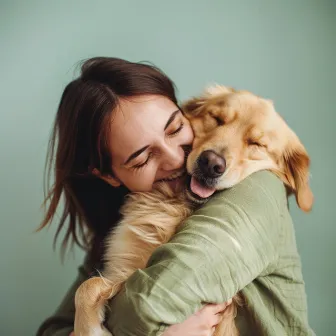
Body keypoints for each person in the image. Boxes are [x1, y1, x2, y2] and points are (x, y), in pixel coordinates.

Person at [36, 57, 314, 336]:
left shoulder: (259, 190)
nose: (175, 158)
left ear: (183, 111)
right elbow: (54, 330)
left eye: (175, 129)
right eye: (143, 157)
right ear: (110, 176)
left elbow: (151, 304)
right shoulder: (131, 213)